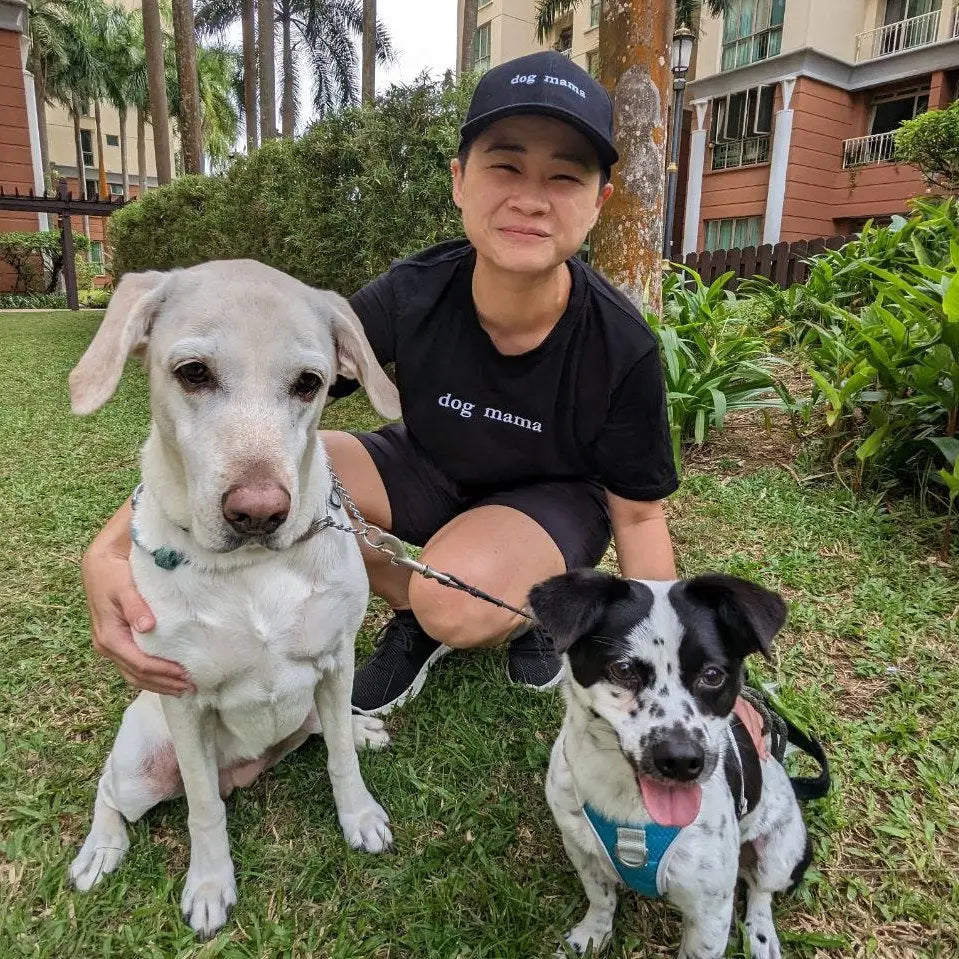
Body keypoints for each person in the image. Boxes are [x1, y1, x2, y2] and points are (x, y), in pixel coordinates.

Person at [81, 51, 679, 717]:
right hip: (426, 464)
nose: (530, 198)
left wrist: (673, 665)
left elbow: (639, 513)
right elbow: (268, 410)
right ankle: (417, 612)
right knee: (309, 465)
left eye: (564, 177)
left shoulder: (621, 344)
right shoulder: (410, 293)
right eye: (504, 165)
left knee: (451, 596)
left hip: (553, 500)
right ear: (459, 180)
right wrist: (105, 550)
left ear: (598, 204)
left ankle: (521, 607)